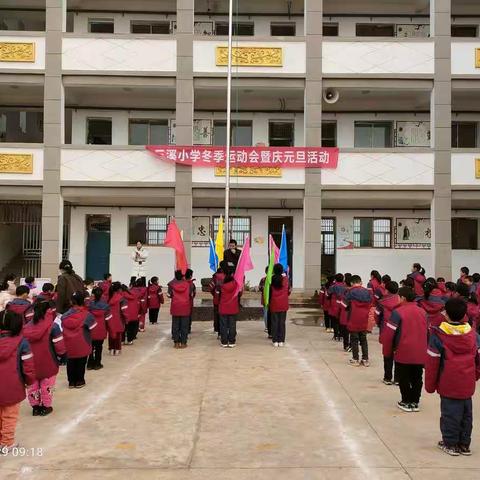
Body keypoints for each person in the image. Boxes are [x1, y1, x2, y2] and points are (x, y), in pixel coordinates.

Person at [426, 298, 480, 456]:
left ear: (446, 314)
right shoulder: (473, 335)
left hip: (448, 382)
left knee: (450, 414)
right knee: (466, 413)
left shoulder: (438, 335)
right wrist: (473, 375)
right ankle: (464, 444)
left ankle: (450, 443)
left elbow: (432, 363)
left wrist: (430, 385)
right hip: (467, 382)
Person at [383, 287, 428, 413]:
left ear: (402, 298)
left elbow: (389, 334)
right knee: (417, 377)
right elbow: (427, 332)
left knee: (403, 377)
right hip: (420, 351)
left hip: (403, 350)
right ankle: (415, 401)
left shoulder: (398, 312)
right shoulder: (423, 312)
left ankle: (406, 401)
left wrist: (387, 351)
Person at [0, 310, 36, 452]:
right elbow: (28, 366)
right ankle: (7, 442)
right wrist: (29, 380)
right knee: (10, 415)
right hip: (13, 385)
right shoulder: (22, 342)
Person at [23, 301, 65, 416]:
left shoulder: (25, 328)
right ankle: (46, 406)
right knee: (47, 385)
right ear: (48, 311)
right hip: (48, 361)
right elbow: (59, 344)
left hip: (30, 362)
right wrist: (62, 355)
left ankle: (35, 407)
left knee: (32, 385)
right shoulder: (53, 326)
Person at [61, 291, 96, 389]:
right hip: (83, 342)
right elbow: (93, 327)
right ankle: (80, 381)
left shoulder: (64, 316)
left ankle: (71, 382)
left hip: (68, 343)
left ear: (72, 302)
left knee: (70, 362)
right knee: (81, 362)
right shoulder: (87, 315)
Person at [376, 281, 401, 385]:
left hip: (386, 329)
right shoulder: (401, 301)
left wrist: (379, 324)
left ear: (387, 290)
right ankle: (397, 378)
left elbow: (377, 315)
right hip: (399, 330)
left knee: (387, 353)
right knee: (398, 353)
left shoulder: (382, 302)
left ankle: (387, 377)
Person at [345, 275, 371, 367]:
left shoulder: (350, 292)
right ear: (360, 282)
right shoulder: (367, 292)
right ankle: (365, 359)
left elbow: (345, 304)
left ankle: (355, 359)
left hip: (353, 319)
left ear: (351, 283)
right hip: (364, 319)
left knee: (354, 340)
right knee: (364, 340)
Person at [87, 287, 111, 370]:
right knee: (99, 347)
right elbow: (108, 319)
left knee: (90, 347)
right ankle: (97, 363)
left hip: (90, 328)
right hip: (101, 329)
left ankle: (90, 364)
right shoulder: (106, 306)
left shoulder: (88, 305)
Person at [168, 270, 193, 349]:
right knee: (184, 326)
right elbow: (191, 294)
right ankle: (183, 342)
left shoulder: (171, 285)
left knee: (175, 325)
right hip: (185, 306)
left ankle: (176, 342)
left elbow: (169, 295)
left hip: (175, 306)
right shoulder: (188, 284)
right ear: (182, 276)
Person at [217, 268, 240, 348]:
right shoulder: (236, 285)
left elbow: (218, 295)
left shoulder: (221, 286)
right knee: (232, 325)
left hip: (223, 307)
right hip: (233, 307)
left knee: (223, 325)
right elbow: (240, 294)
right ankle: (232, 341)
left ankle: (224, 341)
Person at [269, 264, 291, 347]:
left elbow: (269, 292)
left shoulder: (271, 279)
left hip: (274, 303)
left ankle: (275, 341)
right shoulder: (285, 280)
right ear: (282, 270)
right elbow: (288, 291)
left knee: (274, 323)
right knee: (282, 322)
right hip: (283, 304)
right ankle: (281, 340)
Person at [107, 282, 126, 356]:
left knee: (111, 334)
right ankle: (117, 349)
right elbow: (123, 311)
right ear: (119, 289)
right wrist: (126, 319)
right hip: (118, 319)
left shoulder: (109, 298)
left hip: (110, 318)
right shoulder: (121, 298)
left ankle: (111, 349)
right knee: (118, 335)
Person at [210, 264, 226, 337]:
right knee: (225, 316)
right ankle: (224, 331)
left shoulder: (215, 277)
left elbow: (211, 288)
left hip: (217, 299)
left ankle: (217, 329)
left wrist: (215, 295)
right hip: (226, 299)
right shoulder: (228, 276)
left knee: (216, 314)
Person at [185, 269, 196, 334]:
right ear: (190, 276)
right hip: (189, 302)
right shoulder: (191, 284)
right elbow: (193, 294)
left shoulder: (181, 283)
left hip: (181, 303)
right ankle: (188, 329)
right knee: (188, 316)